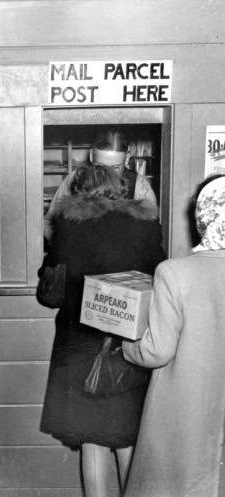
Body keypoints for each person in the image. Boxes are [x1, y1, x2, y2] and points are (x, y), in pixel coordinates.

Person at [37, 164, 165, 497]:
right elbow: (159, 278)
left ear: (78, 190)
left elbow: (52, 295)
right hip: (128, 346)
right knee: (126, 437)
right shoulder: (145, 227)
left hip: (80, 349)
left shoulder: (69, 229)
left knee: (92, 438)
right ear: (120, 189)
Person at [122, 175, 225, 497]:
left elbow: (157, 351)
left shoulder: (174, 272)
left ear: (202, 218)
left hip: (186, 409)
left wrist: (127, 343)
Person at [45, 131, 158, 240]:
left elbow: (150, 235)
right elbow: (48, 222)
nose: (107, 174)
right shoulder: (75, 178)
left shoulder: (140, 186)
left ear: (127, 158)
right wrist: (63, 245)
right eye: (100, 166)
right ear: (91, 156)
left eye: (115, 168)